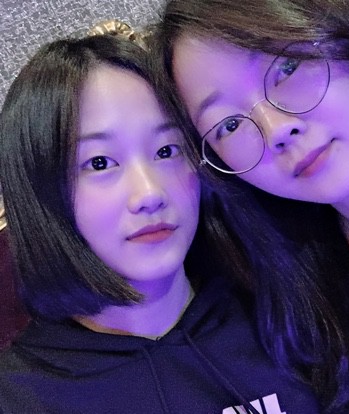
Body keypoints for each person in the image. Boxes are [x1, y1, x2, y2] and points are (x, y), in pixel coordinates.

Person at [0, 34, 320, 413]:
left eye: (167, 151)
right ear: (38, 193)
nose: (150, 193)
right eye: (100, 163)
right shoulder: (19, 396)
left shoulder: (284, 312)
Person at [154, 0, 349, 412]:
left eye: (287, 68)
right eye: (229, 125)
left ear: (340, 35)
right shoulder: (299, 312)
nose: (276, 129)